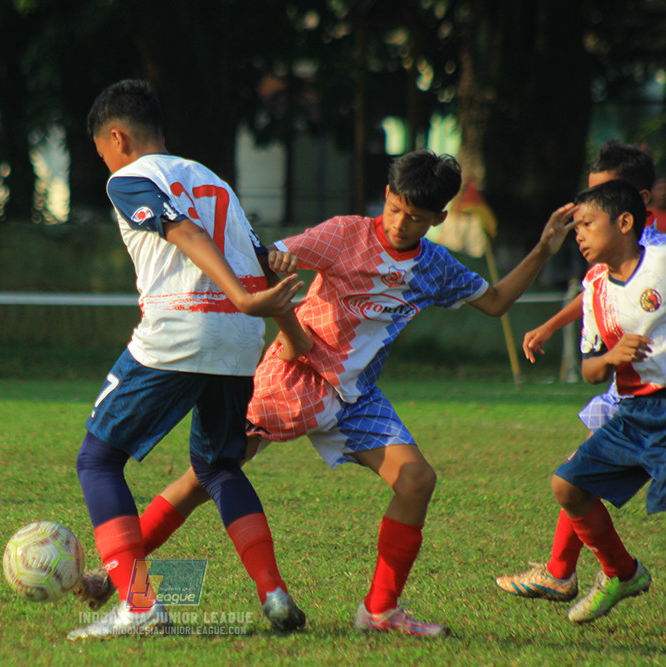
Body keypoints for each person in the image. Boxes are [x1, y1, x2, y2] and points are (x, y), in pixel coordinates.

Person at [78, 149, 578, 637]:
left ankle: (380, 610)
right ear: (386, 194)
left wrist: (542, 250)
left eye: (415, 218)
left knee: (416, 480)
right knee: (206, 476)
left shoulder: (435, 266)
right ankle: (112, 574)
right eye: (395, 209)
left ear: (439, 218)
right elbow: (270, 266)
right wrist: (290, 320)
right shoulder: (345, 234)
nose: (400, 224)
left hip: (355, 398)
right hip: (293, 376)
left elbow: (496, 301)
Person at [67, 79, 310, 641]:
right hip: (239, 341)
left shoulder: (129, 177)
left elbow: (182, 230)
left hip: (180, 331)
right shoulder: (211, 178)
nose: (105, 163)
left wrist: (245, 297)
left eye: (101, 152)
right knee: (220, 468)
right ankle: (273, 593)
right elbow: (261, 258)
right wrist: (288, 333)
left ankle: (138, 605)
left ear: (117, 138)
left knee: (98, 460)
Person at [496, 142, 665, 601]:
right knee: (574, 476)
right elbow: (599, 297)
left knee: (578, 472)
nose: (580, 226)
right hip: (631, 397)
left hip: (653, 395)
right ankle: (588, 570)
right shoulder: (600, 275)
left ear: (632, 209)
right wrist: (556, 327)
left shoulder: (657, 254)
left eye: (592, 214)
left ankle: (563, 570)